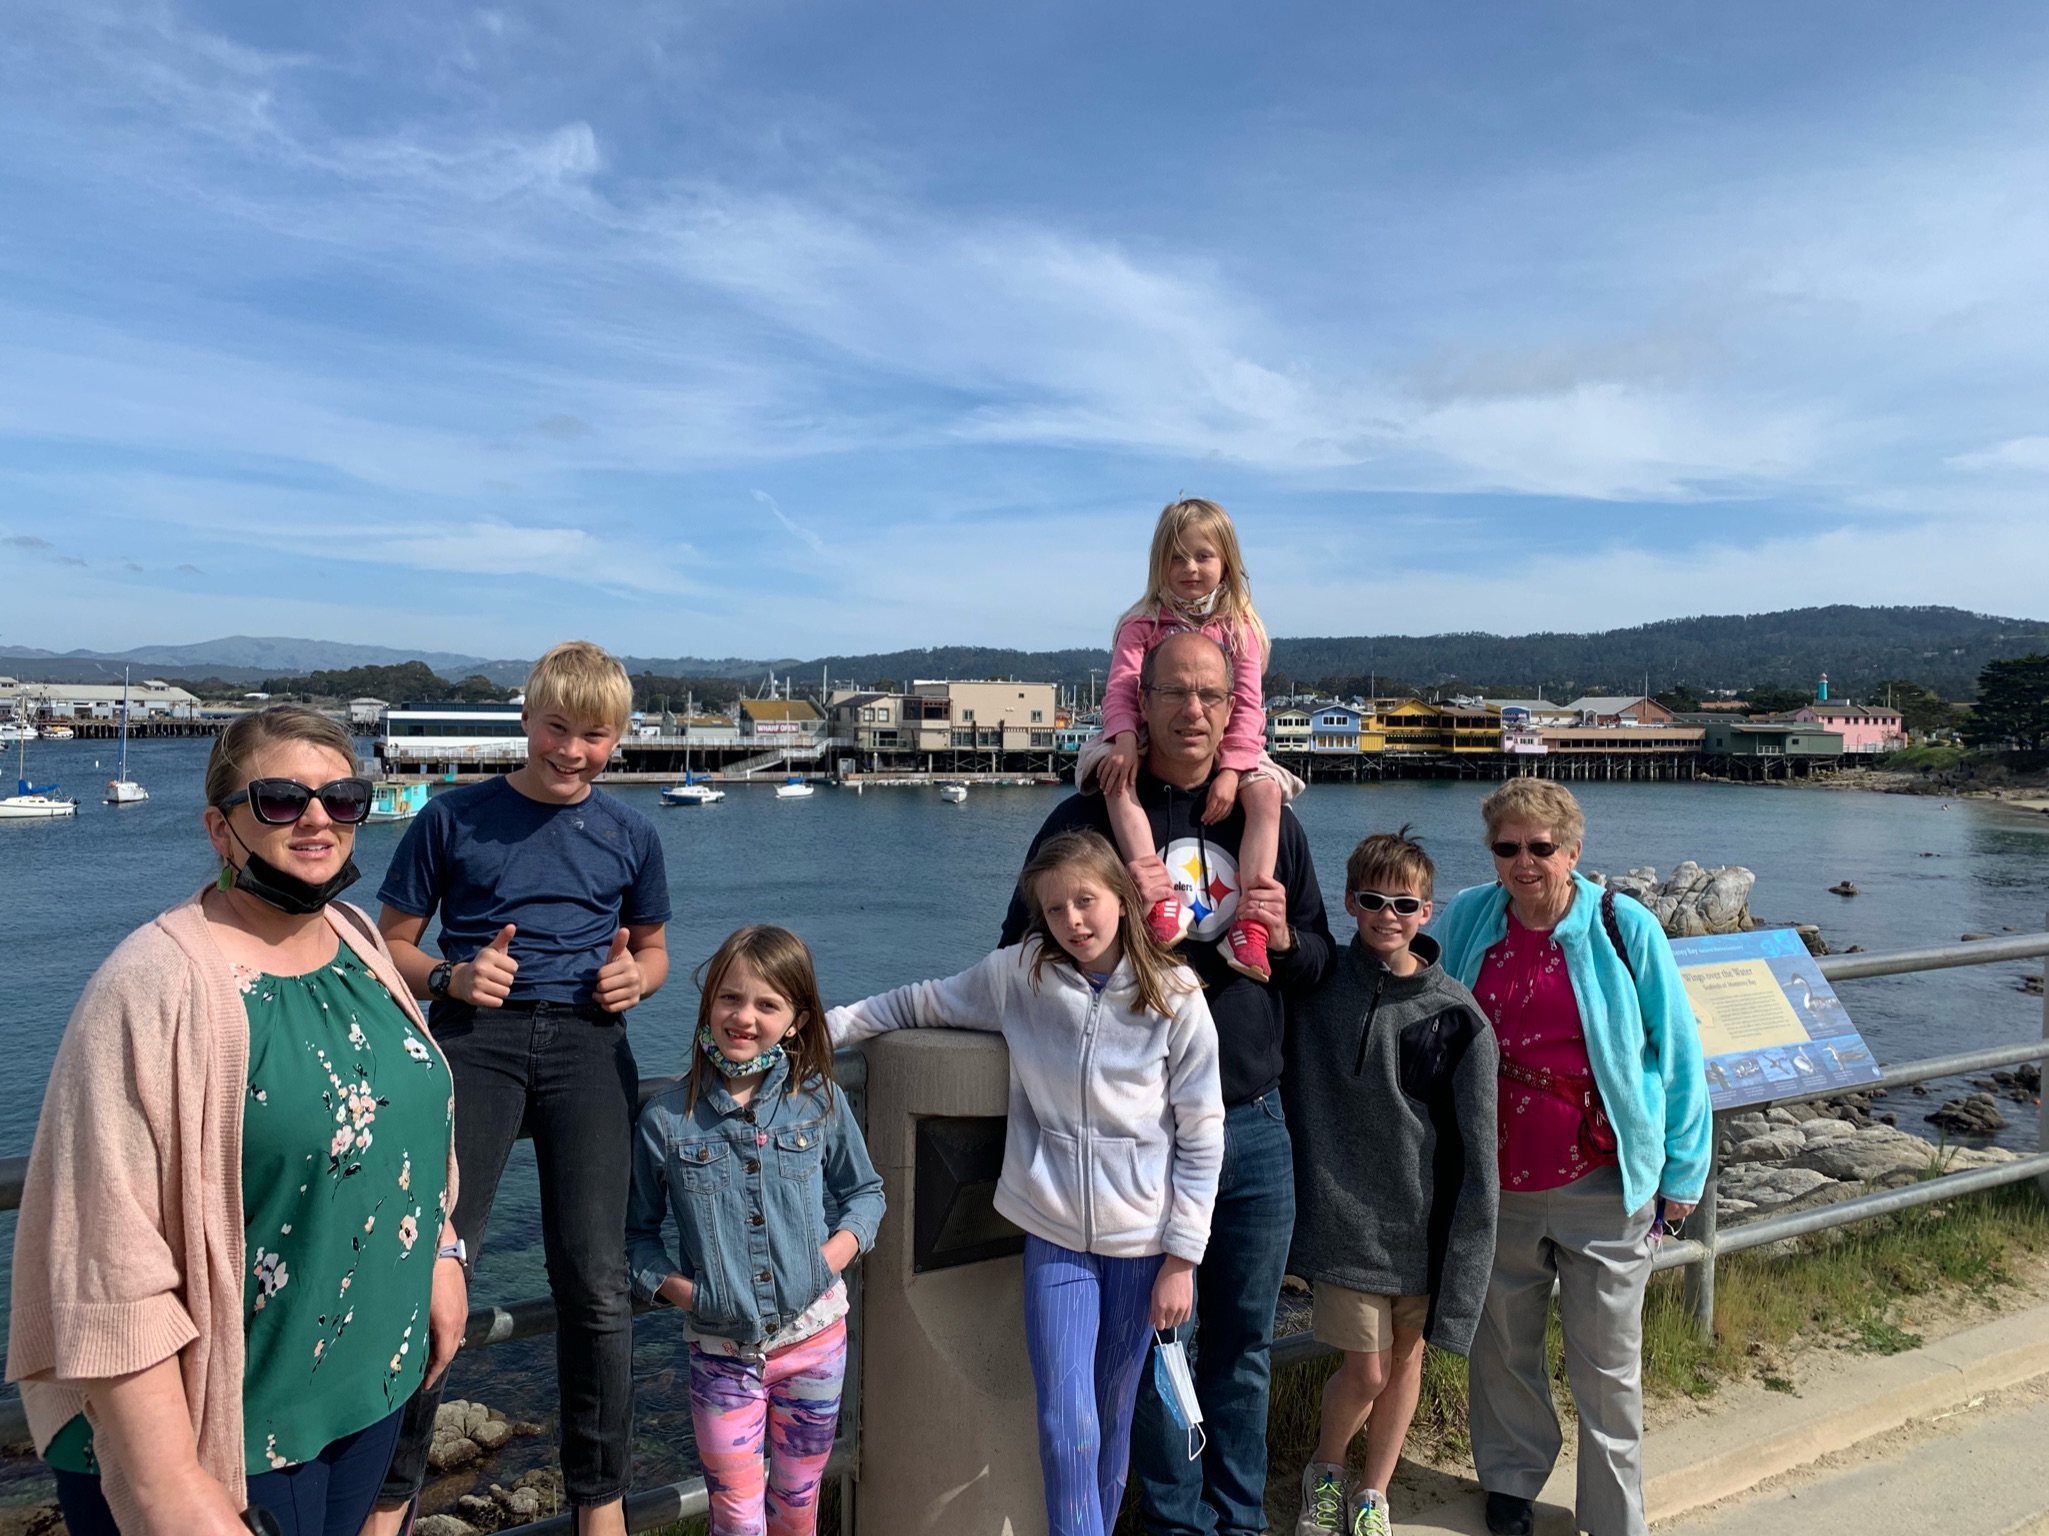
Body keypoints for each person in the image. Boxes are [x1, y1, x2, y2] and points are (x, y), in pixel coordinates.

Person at [6, 706, 466, 1536]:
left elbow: (412, 1128)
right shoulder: (152, 986)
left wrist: (440, 1249)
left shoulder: (359, 940)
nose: (318, 819)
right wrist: (169, 1485)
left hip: (368, 1389)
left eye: (342, 799)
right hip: (226, 1431)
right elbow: (104, 1258)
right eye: (282, 800)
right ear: (221, 829)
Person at [1000, 629, 1332, 1536]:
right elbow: (1018, 952)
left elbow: (1317, 964)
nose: (1192, 711)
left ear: (1234, 709)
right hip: (1136, 1141)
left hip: (1252, 1121)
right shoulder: (1086, 817)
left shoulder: (1267, 816)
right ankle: (1175, 1523)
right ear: (1137, 703)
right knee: (1154, 1347)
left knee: (1243, 1346)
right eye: (1174, 692)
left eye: (1210, 695)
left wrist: (1286, 939)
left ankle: (1237, 1520)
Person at [834, 831, 1224, 1536]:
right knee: (1066, 1423)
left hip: (1143, 1248)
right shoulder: (1019, 976)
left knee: (1110, 1418)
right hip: (1053, 1236)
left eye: (1085, 900)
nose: (1072, 920)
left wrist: (1182, 1259)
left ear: (1122, 898)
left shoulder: (1176, 997)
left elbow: (1201, 1135)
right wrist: (816, 1035)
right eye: (1054, 909)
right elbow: (915, 1004)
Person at [371, 641, 672, 1536]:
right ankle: (388, 1500)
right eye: (556, 728)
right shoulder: (451, 817)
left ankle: (600, 1503)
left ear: (618, 738)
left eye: (594, 735)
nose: (571, 750)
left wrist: (638, 980)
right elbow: (389, 942)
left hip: (589, 1043)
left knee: (595, 1281)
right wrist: (451, 978)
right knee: (433, 1265)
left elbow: (652, 949)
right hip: (476, 1040)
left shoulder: (632, 833)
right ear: (526, 719)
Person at [1432, 780, 1711, 1536]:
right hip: (1496, 1181)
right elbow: (1418, 996)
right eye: (1506, 847)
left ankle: (1615, 1516)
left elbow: (1678, 1051)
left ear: (1573, 851)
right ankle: (1510, 1482)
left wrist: (1683, 1171)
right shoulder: (1468, 916)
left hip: (1603, 1181)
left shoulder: (1623, 926)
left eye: (1540, 847)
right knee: (1502, 1347)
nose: (1523, 862)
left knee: (1608, 1363)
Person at [626, 926, 885, 1536]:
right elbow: (635, 1237)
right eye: (730, 998)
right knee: (737, 1519)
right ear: (708, 1002)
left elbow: (866, 1194)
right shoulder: (666, 1120)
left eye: (767, 1004)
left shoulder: (818, 1099)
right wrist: (692, 1295)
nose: (744, 1017)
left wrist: (825, 1261)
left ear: (796, 1021)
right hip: (721, 1357)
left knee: (797, 1506)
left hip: (817, 1345)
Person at [1285, 828, 1498, 1536]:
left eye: (1405, 904)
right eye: (1373, 900)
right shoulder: (1314, 986)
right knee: (1368, 1371)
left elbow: (1477, 1155)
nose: (1388, 915)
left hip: (1423, 1228)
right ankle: (1325, 1469)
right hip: (1341, 1222)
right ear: (1348, 901)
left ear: (1428, 911)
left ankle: (1373, 1493)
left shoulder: (1458, 1016)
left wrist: (1468, 1257)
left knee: (1406, 1362)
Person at [1081, 496, 1304, 983]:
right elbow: (1121, 689)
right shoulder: (1141, 624)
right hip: (1140, 732)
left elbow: (1247, 706)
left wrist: (1232, 771)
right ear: (1159, 563)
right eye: (1177, 557)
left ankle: (1252, 923)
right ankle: (1157, 897)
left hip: (1233, 745)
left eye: (1203, 556)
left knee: (1267, 794)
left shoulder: (1241, 629)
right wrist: (1123, 740)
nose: (1190, 568)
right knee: (1115, 780)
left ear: (1227, 563)